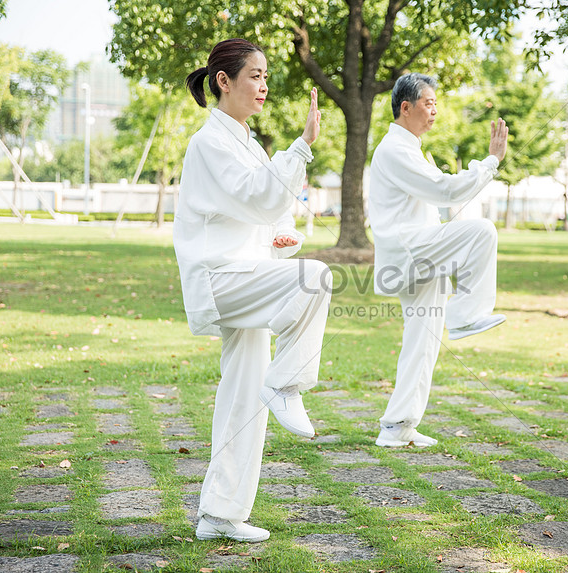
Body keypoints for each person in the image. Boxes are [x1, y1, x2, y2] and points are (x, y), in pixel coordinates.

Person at [175, 38, 332, 542]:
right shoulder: (209, 142)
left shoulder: (245, 141)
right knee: (316, 277)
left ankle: (219, 514)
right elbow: (258, 198)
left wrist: (278, 239)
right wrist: (303, 144)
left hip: (246, 274)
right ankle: (286, 382)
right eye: (255, 76)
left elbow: (262, 214)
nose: (264, 86)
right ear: (224, 81)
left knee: (243, 399)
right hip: (221, 281)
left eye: (266, 76)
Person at [368, 73, 508, 448]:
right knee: (483, 231)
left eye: (435, 104)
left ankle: (397, 428)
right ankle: (464, 316)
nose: (434, 112)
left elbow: (441, 200)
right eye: (428, 104)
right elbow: (444, 188)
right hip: (410, 253)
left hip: (418, 254)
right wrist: (490, 163)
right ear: (406, 107)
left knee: (423, 341)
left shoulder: (409, 148)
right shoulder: (395, 149)